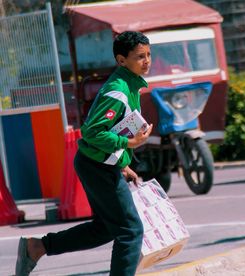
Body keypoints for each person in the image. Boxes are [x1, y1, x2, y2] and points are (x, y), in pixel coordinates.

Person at [15, 30, 153, 276]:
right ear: (122, 60)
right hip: (97, 166)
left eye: (148, 55)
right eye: (140, 56)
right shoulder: (118, 90)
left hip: (101, 164)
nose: (147, 61)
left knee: (106, 228)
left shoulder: (129, 85)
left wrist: (123, 163)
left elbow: (114, 126)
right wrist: (129, 144)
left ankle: (37, 247)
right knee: (130, 231)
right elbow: (91, 132)